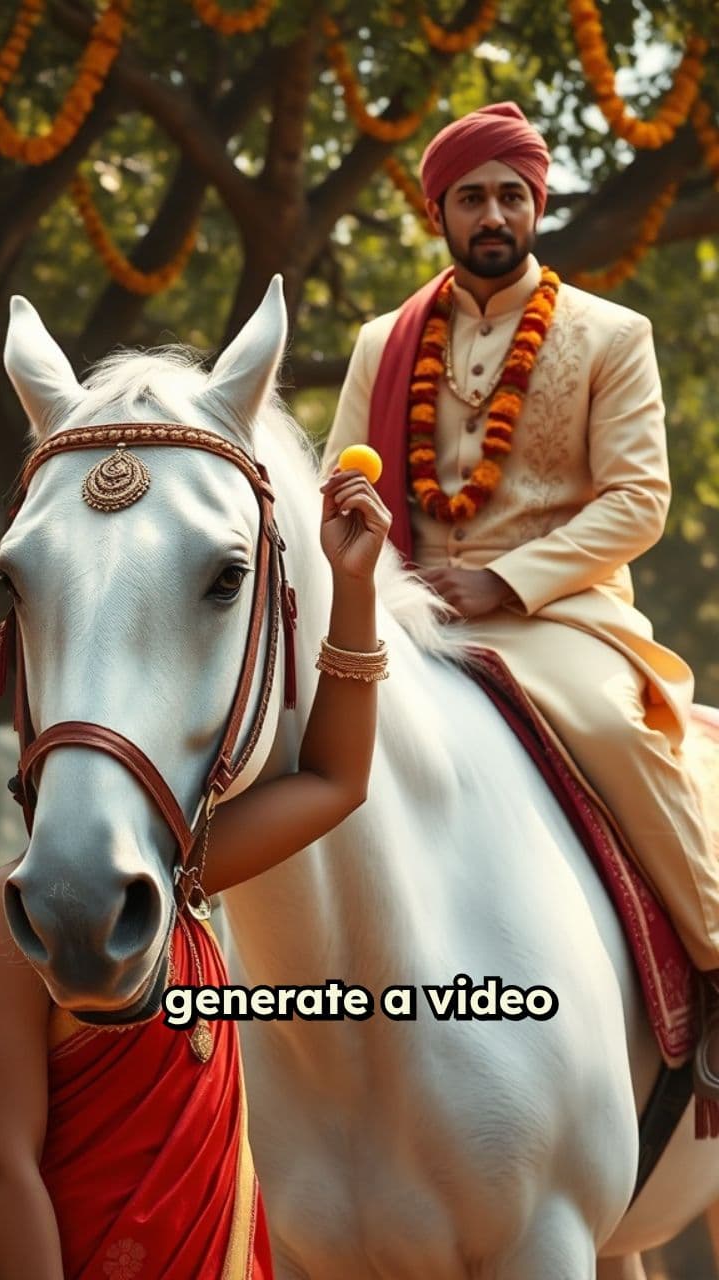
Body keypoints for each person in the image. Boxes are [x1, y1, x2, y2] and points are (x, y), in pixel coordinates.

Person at [323, 101, 719, 1101]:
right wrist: (361, 525)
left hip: (558, 615)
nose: (492, 213)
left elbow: (639, 501)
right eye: (471, 198)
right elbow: (338, 479)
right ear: (439, 213)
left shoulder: (610, 334)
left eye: (510, 194)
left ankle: (714, 961)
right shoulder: (384, 342)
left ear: (535, 204)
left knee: (615, 728)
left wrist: (502, 579)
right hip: (409, 615)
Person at [0, 467, 391, 1279]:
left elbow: (336, 783)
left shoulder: (182, 882)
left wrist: (354, 586)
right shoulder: (15, 931)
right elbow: (6, 1169)